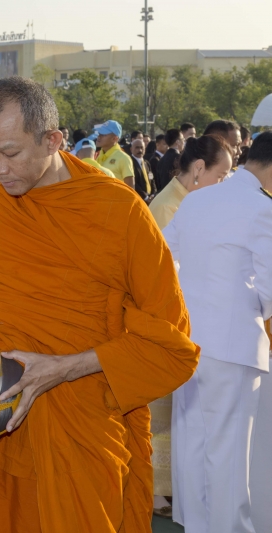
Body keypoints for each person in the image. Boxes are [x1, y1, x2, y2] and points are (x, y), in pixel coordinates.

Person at [0, 77, 199, 532]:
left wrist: (65, 367)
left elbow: (170, 343)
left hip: (83, 417)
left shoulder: (118, 211)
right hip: (0, 423)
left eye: (11, 152)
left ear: (53, 140)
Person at [165, 132, 272, 533]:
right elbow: (270, 288)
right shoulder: (262, 207)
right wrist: (247, 311)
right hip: (234, 345)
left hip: (189, 340)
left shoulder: (198, 198)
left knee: (192, 443)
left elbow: (164, 256)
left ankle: (196, 526)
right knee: (228, 453)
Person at [146, 134, 232, 518]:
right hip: (169, 320)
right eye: (223, 174)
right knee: (164, 414)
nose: (225, 183)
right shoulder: (169, 207)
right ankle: (155, 491)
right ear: (198, 169)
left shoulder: (185, 201)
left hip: (183, 317)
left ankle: (168, 490)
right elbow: (165, 275)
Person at [95, 120, 134, 187]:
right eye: (99, 133)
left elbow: (131, 189)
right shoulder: (98, 156)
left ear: (114, 138)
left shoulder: (123, 158)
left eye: (103, 134)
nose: (99, 137)